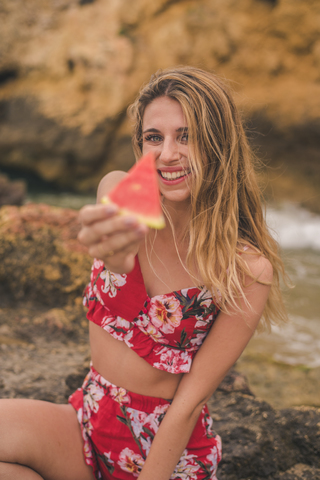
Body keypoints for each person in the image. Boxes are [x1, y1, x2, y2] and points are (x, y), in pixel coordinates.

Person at [0, 66, 287, 480]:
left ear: (218, 146)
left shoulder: (246, 269)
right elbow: (114, 230)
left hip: (166, 454)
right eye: (154, 137)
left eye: (185, 136)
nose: (167, 153)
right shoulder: (121, 192)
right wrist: (114, 256)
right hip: (88, 421)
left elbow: (190, 403)